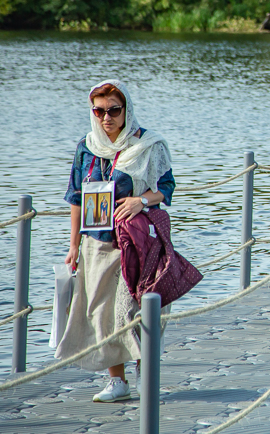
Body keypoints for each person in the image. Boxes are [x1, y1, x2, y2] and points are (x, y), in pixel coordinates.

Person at [59, 80, 190, 403]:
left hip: (138, 241)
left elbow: (167, 188)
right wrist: (74, 244)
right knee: (101, 312)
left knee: (135, 310)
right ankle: (116, 380)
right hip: (98, 242)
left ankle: (145, 374)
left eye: (114, 110)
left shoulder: (147, 144)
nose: (107, 118)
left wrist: (141, 201)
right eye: (100, 111)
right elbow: (76, 198)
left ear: (126, 109)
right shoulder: (87, 147)